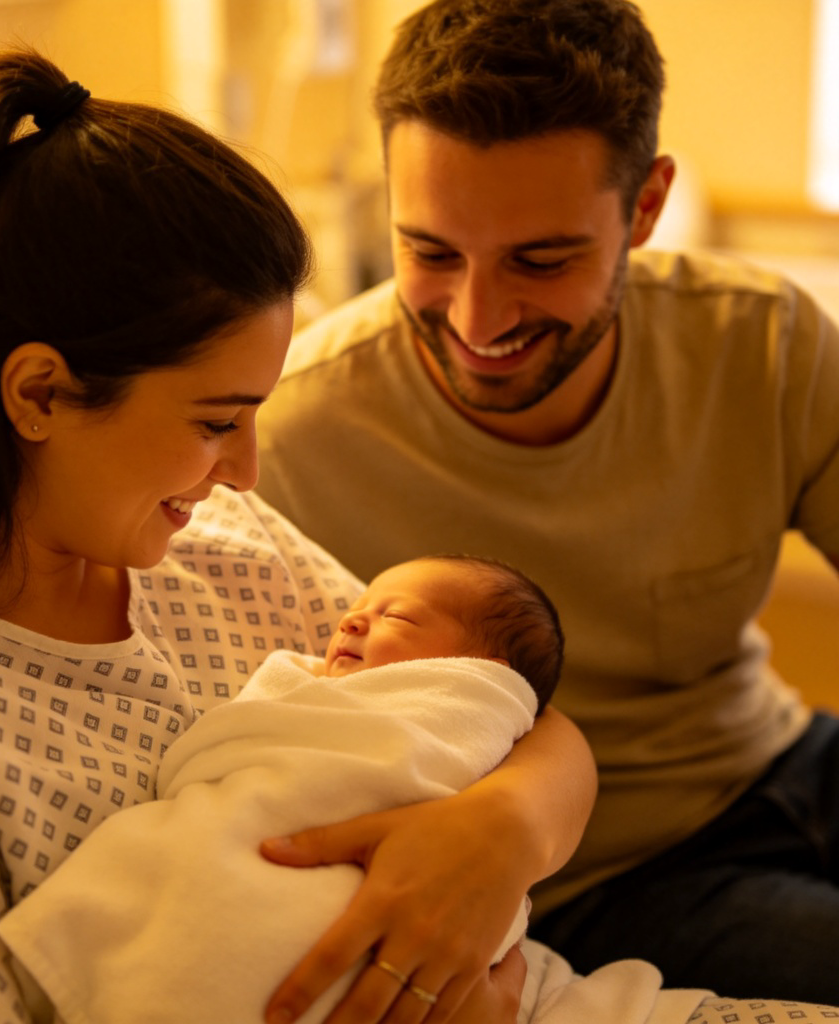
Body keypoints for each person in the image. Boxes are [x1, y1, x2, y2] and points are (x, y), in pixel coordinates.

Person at [0, 44, 599, 1024]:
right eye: (217, 420)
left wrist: (505, 828)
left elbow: (496, 700)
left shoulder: (224, 549)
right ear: (40, 393)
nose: (246, 470)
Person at [254, 0, 839, 1007]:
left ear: (645, 208)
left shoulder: (762, 341)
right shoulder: (291, 442)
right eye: (431, 252)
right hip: (605, 874)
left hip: (785, 757)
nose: (477, 319)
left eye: (541, 259)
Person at [0, 554, 561, 1024]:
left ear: (481, 672)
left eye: (397, 617)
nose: (351, 621)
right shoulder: (312, 688)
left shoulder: (475, 719)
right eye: (357, 608)